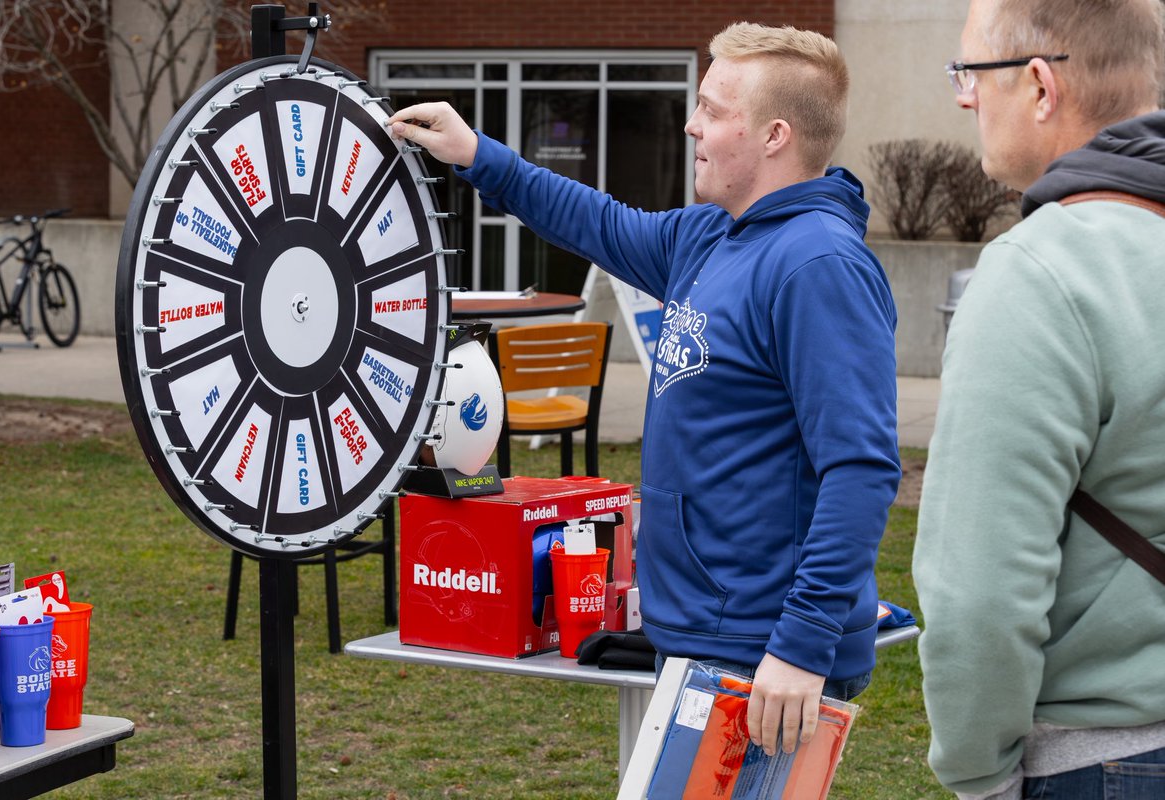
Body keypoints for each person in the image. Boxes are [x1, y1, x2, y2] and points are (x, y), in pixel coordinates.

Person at [390, 22, 900, 758]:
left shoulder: (816, 264)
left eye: (714, 108)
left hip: (762, 655)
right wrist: (477, 156)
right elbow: (595, 220)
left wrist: (802, 645)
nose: (690, 124)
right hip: (702, 633)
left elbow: (860, 469)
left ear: (773, 135)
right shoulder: (711, 236)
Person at [913, 1, 1165, 798]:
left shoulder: (1041, 271)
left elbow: (977, 593)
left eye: (970, 72)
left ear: (1037, 84)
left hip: (1106, 760)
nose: (962, 97)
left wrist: (977, 776)